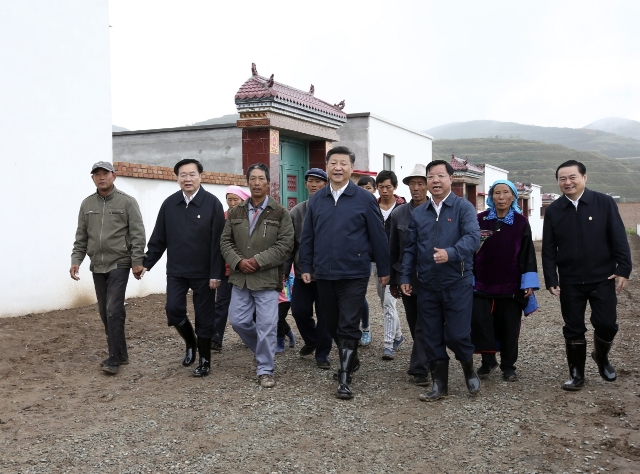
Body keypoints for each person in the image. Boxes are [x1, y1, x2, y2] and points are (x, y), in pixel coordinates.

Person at [300, 146, 390, 399]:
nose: (337, 168)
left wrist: (384, 269)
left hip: (354, 273)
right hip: (325, 273)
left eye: (343, 163)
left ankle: (344, 377)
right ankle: (352, 358)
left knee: (349, 323)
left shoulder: (364, 199)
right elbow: (308, 237)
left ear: (351, 168)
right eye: (333, 163)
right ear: (327, 167)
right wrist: (306, 266)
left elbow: (378, 237)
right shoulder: (317, 200)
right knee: (330, 324)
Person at [542, 160, 631, 391]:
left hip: (603, 277)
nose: (567, 182)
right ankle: (576, 374)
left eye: (572, 177)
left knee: (607, 324)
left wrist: (623, 269)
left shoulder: (604, 203)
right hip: (570, 280)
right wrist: (551, 278)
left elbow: (619, 237)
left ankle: (601, 357)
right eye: (562, 179)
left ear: (584, 178)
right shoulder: (553, 210)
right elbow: (549, 248)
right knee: (573, 327)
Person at [400, 159, 481, 401]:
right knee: (431, 335)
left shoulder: (463, 208)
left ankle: (468, 369)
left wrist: (451, 253)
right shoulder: (419, 213)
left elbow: (473, 238)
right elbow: (410, 248)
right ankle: (439, 385)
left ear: (450, 179)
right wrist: (405, 276)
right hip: (427, 285)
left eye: (440, 176)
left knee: (456, 335)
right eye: (431, 177)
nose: (435, 180)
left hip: (457, 282)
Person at [142, 158, 226, 377]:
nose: (187, 179)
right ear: (177, 177)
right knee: (173, 310)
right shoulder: (170, 204)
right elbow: (159, 237)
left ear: (201, 176)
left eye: (192, 174)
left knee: (205, 317)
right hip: (177, 271)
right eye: (183, 175)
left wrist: (216, 273)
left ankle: (205, 361)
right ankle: (191, 342)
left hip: (205, 273)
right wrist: (146, 263)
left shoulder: (212, 204)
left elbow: (219, 243)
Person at [220, 163, 294, 388]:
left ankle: (265, 369)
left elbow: (285, 245)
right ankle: (264, 350)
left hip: (267, 278)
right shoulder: (235, 212)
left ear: (268, 182)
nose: (257, 183)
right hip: (240, 277)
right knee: (239, 321)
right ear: (248, 182)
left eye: (261, 178)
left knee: (267, 325)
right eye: (253, 178)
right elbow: (225, 241)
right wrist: (238, 261)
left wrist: (257, 261)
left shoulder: (280, 213)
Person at [70, 161, 146, 375]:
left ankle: (113, 359)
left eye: (105, 173)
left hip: (120, 262)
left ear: (114, 176)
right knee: (106, 311)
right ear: (92, 178)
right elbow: (81, 236)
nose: (101, 177)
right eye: (97, 174)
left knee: (113, 309)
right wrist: (77, 259)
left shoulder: (127, 202)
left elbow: (137, 233)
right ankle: (121, 352)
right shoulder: (87, 204)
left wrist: (137, 260)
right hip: (98, 265)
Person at [471, 180, 539, 382]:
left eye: (505, 193)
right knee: (483, 325)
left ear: (513, 197)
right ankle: (488, 361)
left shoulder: (520, 222)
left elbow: (527, 254)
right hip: (482, 285)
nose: (501, 197)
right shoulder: (479, 220)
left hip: (511, 286)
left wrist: (528, 283)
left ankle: (508, 366)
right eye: (496, 193)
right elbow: (471, 251)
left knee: (509, 327)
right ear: (491, 197)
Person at [388, 163, 431, 385]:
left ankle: (419, 369)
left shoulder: (438, 211)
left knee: (425, 322)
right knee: (415, 324)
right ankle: (428, 357)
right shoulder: (398, 214)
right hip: (407, 280)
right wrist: (394, 280)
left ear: (428, 186)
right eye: (412, 183)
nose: (416, 188)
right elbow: (393, 249)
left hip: (432, 279)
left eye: (420, 183)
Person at [286, 168, 333, 369]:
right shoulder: (297, 212)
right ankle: (311, 339)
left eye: (318, 181)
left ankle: (322, 354)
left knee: (325, 316)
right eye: (310, 181)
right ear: (305, 185)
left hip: (326, 274)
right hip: (302, 272)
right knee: (299, 311)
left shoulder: (333, 209)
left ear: (325, 184)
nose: (313, 185)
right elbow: (290, 245)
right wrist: (284, 270)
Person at [214, 185, 251, 352]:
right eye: (229, 199)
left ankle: (251, 336)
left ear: (243, 200)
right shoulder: (222, 218)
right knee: (221, 303)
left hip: (245, 269)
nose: (232, 202)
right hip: (225, 270)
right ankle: (216, 338)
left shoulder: (251, 218)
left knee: (251, 304)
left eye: (235, 199)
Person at [375, 170, 407, 360]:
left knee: (389, 302)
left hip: (396, 262)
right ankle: (398, 335)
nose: (384, 190)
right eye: (381, 187)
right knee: (383, 302)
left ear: (395, 187)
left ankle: (388, 344)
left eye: (388, 187)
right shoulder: (372, 206)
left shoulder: (403, 208)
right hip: (377, 261)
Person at [356, 176, 376, 346]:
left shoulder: (372, 206)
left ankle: (366, 328)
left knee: (359, 295)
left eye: (368, 187)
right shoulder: (350, 206)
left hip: (365, 258)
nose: (364, 191)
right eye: (361, 188)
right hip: (348, 258)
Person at [275, 269, 296, 353]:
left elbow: (292, 281)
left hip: (285, 299)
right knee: (280, 320)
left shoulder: (288, 266)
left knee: (279, 320)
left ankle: (280, 344)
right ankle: (290, 334)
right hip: (273, 299)